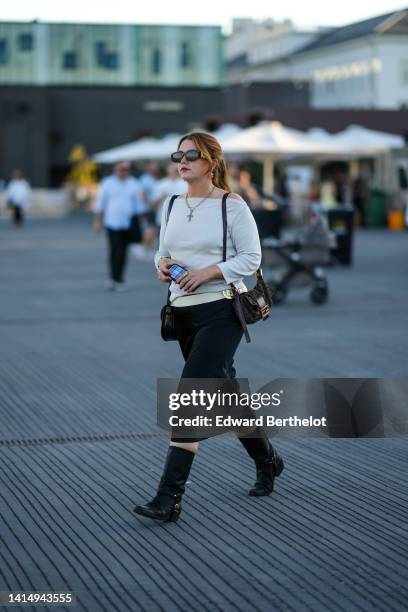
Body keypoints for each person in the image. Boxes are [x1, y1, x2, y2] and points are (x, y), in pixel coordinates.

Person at [134, 132, 284, 523]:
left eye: (191, 155)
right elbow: (162, 252)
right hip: (182, 312)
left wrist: (209, 272)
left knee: (190, 398)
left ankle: (169, 498)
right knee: (227, 396)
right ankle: (268, 460)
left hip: (221, 312)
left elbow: (251, 258)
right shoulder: (170, 204)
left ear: (212, 162)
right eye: (178, 155)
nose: (181, 161)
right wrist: (161, 266)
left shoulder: (232, 207)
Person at [93, 161, 142, 291]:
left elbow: (138, 205)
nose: (123, 171)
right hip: (112, 222)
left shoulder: (134, 184)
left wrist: (141, 223)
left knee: (123, 252)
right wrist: (97, 221)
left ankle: (119, 278)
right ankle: (113, 278)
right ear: (115, 170)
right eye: (121, 169)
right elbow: (100, 204)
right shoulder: (107, 183)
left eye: (126, 169)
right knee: (115, 250)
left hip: (127, 224)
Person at [132, 161, 160, 260]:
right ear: (148, 167)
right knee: (151, 228)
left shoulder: (154, 178)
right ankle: (143, 248)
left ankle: (146, 248)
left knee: (152, 228)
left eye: (155, 166)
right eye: (152, 166)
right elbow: (143, 193)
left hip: (154, 207)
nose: (154, 168)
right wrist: (149, 204)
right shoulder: (145, 179)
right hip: (149, 208)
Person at [152, 163, 186, 229]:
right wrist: (160, 197)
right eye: (172, 169)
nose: (174, 171)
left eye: (175, 169)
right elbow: (153, 205)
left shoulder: (184, 183)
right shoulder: (161, 184)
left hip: (180, 220)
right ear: (168, 170)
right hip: (163, 219)